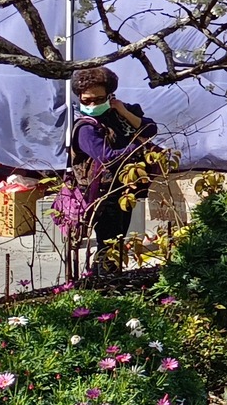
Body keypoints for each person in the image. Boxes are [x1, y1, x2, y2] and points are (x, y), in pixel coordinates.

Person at [65, 66, 159, 269]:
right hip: (103, 196)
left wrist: (123, 110)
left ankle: (109, 283)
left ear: (110, 96)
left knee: (117, 242)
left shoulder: (117, 115)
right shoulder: (86, 128)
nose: (92, 104)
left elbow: (150, 129)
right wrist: (138, 145)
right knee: (108, 245)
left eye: (98, 99)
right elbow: (107, 157)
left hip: (125, 190)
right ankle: (102, 285)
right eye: (86, 100)